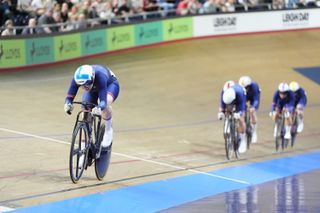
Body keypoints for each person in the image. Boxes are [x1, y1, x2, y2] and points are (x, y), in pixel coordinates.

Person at [64, 64, 120, 153]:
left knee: (104, 105)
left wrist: (99, 108)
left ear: (92, 78)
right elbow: (69, 96)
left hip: (110, 85)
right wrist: (67, 104)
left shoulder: (101, 76)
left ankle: (108, 129)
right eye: (81, 86)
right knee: (85, 113)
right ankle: (83, 147)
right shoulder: (77, 78)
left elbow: (103, 102)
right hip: (93, 90)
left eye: (86, 85)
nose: (84, 88)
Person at [217, 82, 247, 153]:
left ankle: (242, 139)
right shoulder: (223, 92)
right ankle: (229, 125)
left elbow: (242, 109)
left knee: (241, 119)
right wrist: (221, 112)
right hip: (229, 100)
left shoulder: (239, 93)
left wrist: (239, 114)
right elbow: (222, 105)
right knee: (226, 110)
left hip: (240, 99)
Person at [238, 76, 260, 143]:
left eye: (245, 88)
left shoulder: (254, 87)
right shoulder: (240, 89)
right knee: (241, 114)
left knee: (252, 112)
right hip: (244, 97)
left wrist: (253, 107)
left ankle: (254, 131)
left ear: (249, 86)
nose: (244, 89)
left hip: (252, 97)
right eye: (242, 88)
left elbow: (256, 99)